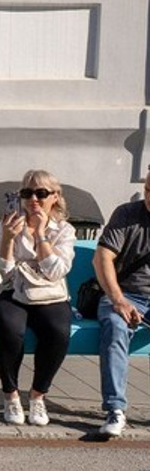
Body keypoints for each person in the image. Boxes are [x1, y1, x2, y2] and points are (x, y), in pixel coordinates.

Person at [0, 172, 76, 426]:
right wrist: (9, 239)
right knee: (10, 326)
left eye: (41, 193)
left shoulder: (64, 230)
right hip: (8, 292)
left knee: (58, 330)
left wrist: (41, 234)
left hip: (47, 294)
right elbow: (1, 275)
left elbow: (56, 272)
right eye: (27, 193)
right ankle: (11, 395)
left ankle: (37, 397)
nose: (33, 199)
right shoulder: (9, 223)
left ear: (54, 197)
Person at [93, 170, 150, 438]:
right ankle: (115, 409)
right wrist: (119, 300)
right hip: (125, 293)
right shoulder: (127, 214)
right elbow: (102, 258)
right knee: (116, 327)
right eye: (149, 190)